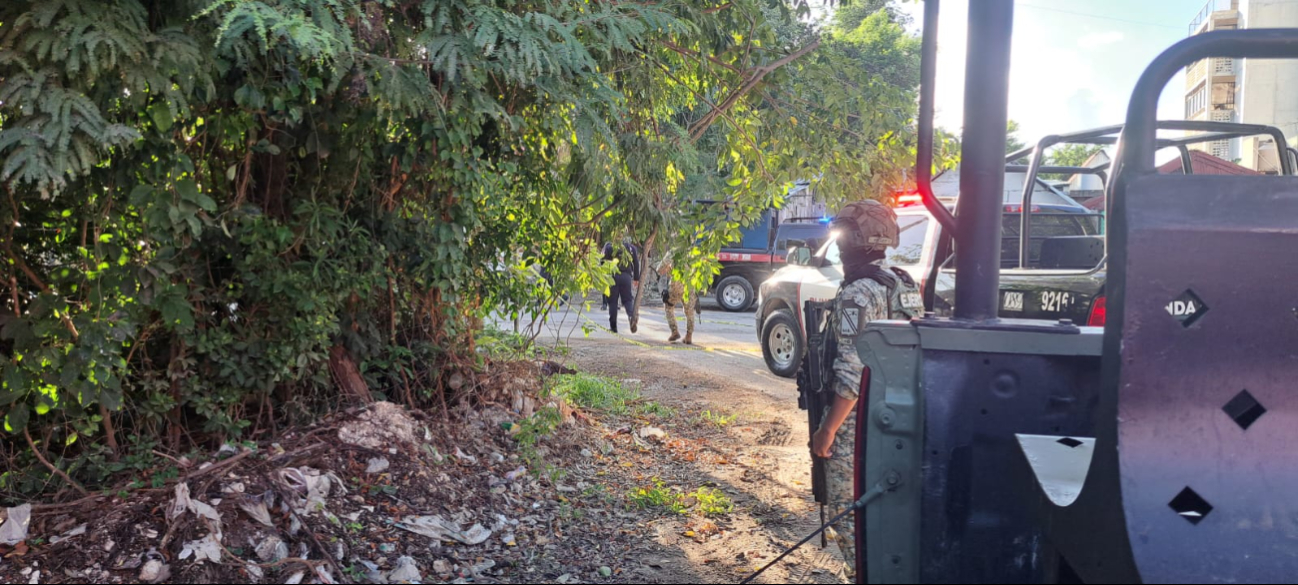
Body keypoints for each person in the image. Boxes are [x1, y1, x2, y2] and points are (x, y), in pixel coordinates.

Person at [810, 200, 923, 578]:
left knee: (848, 513)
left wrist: (828, 430)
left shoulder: (859, 293)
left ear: (851, 241)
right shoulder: (903, 282)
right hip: (899, 418)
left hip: (858, 426)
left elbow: (851, 371)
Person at [656, 251, 696, 345]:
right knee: (689, 311)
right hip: (690, 285)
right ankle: (689, 335)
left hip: (676, 285)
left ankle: (674, 331)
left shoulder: (673, 252)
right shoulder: (694, 252)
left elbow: (660, 269)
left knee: (668, 307)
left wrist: (668, 269)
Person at [603, 236, 641, 333]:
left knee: (613, 302)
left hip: (613, 277)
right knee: (628, 300)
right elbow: (636, 263)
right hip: (626, 277)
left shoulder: (609, 247)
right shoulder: (631, 248)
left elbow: (603, 262)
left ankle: (613, 327)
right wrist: (636, 278)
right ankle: (631, 317)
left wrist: (603, 276)